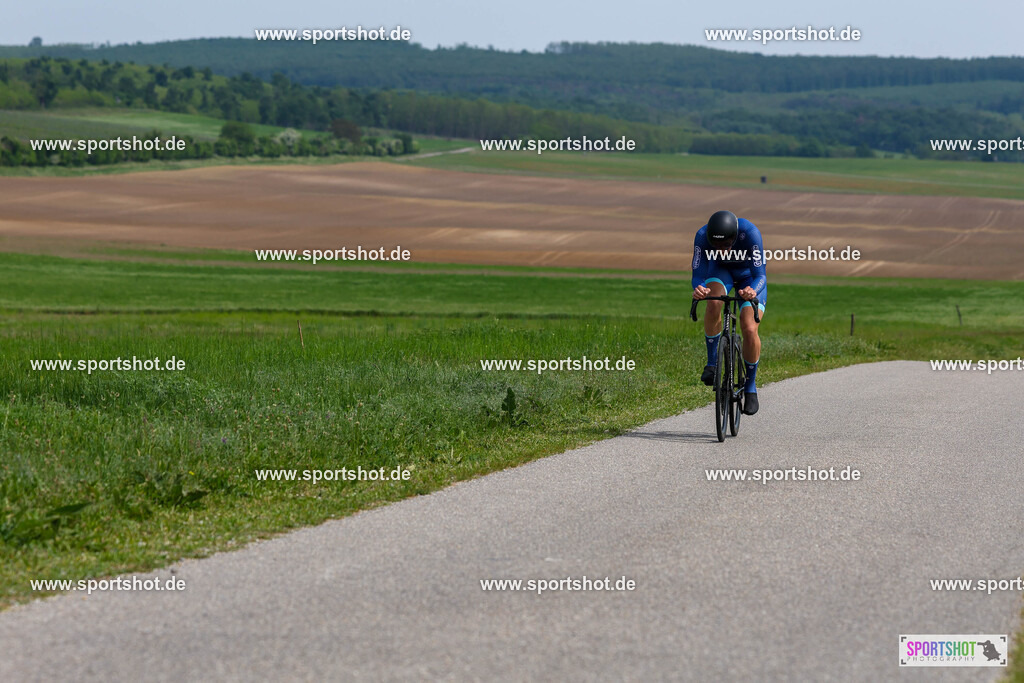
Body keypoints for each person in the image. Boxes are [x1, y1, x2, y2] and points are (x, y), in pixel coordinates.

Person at [691, 210, 766, 415]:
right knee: (713, 302)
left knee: (749, 327)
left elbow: (761, 276)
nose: (721, 250)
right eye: (716, 246)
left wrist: (753, 290)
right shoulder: (701, 236)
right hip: (721, 272)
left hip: (748, 277)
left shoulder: (750, 233)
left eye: (726, 245)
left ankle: (750, 387)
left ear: (735, 236)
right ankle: (712, 363)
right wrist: (698, 288)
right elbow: (697, 275)